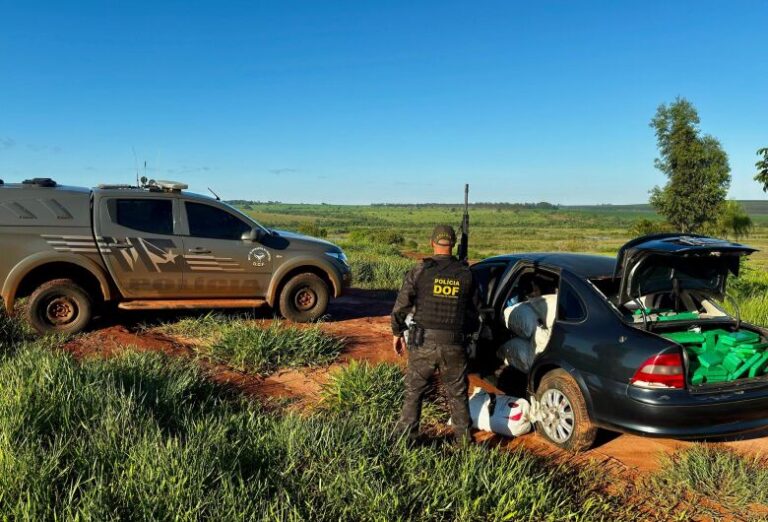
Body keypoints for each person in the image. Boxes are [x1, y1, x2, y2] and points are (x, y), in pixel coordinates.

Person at [391, 224, 480, 443]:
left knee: (414, 393)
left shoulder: (420, 270)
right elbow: (476, 312)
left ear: (432, 243)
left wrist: (397, 332)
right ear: (454, 245)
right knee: (457, 396)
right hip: (454, 345)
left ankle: (405, 440)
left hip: (422, 344)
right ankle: (465, 447)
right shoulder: (466, 274)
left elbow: (401, 306)